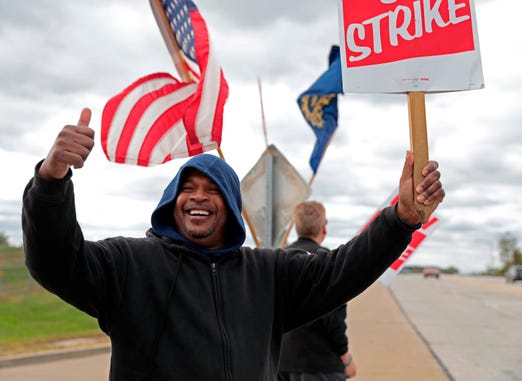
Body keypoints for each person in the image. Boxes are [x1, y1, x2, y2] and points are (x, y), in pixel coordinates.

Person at [22, 108, 445, 380]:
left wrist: (399, 220)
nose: (198, 196)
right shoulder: (130, 264)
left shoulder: (268, 273)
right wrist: (51, 180)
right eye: (188, 188)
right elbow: (56, 261)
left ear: (231, 205)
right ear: (173, 199)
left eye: (212, 189)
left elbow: (340, 271)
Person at [278, 201, 357, 381]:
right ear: (324, 228)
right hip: (321, 365)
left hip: (282, 363)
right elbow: (332, 317)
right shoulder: (328, 261)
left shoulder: (278, 259)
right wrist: (345, 357)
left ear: (297, 228)